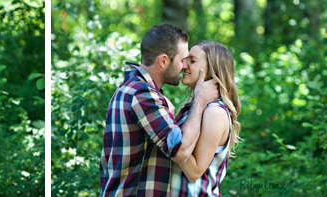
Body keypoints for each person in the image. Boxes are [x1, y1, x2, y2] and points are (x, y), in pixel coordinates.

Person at [99, 23, 219, 196]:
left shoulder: (134, 90)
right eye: (183, 60)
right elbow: (181, 150)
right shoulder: (141, 94)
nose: (185, 66)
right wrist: (200, 100)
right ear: (163, 61)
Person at [169, 40, 242, 197]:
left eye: (192, 61)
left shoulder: (215, 112)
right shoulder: (194, 108)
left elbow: (194, 172)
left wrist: (168, 127)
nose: (184, 66)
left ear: (212, 70)